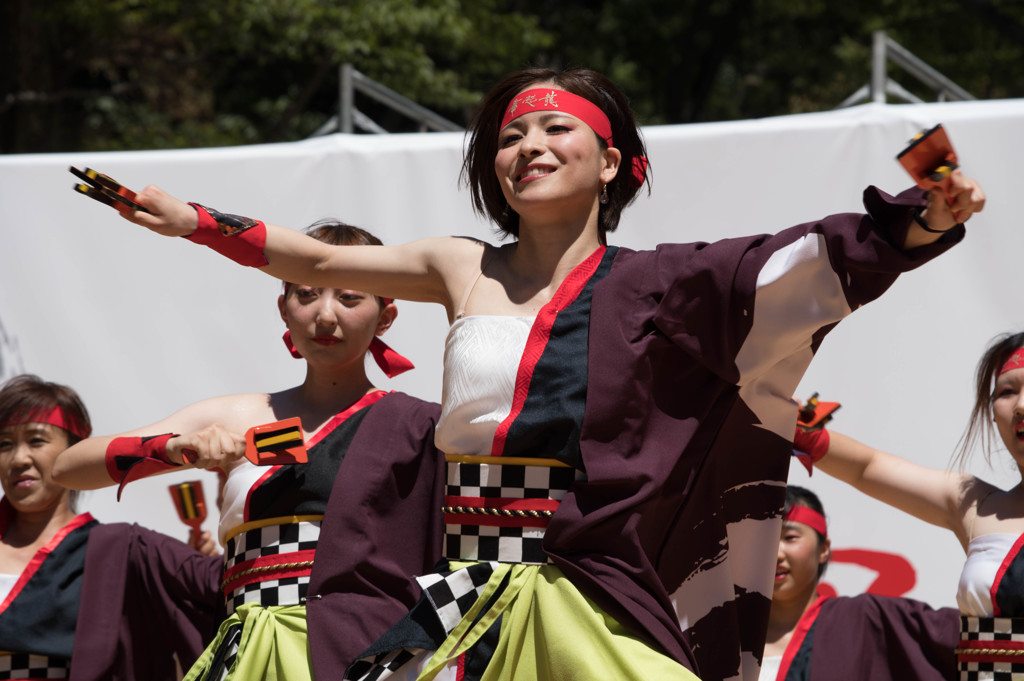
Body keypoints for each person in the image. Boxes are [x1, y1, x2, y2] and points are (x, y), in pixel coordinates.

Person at [95, 67, 984, 681]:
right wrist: (198, 221)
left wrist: (919, 226)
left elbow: (789, 267)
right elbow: (309, 260)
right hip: (460, 581)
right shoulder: (457, 266)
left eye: (557, 128)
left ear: (613, 163)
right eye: (511, 136)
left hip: (581, 576)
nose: (529, 145)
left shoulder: (658, 281)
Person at [53, 222, 445, 681]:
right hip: (247, 648)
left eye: (350, 297)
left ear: (386, 316)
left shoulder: (422, 426)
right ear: (283, 308)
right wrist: (174, 448)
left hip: (365, 655)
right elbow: (68, 468)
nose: (325, 315)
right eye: (307, 294)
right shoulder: (238, 414)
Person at [794, 331, 1024, 680]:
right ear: (993, 414)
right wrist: (786, 416)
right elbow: (865, 467)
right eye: (1007, 392)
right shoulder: (975, 505)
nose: (1021, 405)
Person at [0, 374, 222, 681]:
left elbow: (225, 594)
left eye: (36, 440)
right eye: (4, 444)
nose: (18, 459)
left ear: (75, 451)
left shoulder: (122, 553)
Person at [761, 485, 958, 681]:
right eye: (763, 540)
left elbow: (975, 643)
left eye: (790, 537)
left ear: (823, 549)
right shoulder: (732, 633)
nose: (775, 554)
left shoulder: (868, 618)